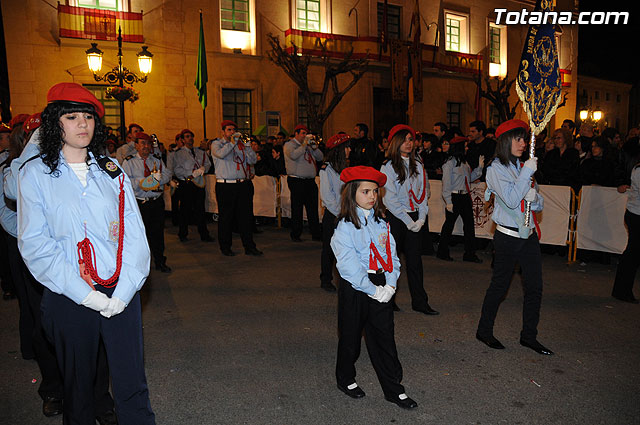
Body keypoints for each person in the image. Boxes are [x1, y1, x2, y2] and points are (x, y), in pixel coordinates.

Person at [17, 82, 155, 423]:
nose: (82, 124)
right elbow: (36, 245)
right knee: (78, 387)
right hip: (69, 293)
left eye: (88, 117)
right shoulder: (35, 174)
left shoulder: (112, 171)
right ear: (55, 123)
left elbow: (135, 234)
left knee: (131, 380)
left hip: (120, 287)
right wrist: (87, 297)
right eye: (72, 116)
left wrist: (123, 293)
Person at [331, 165, 418, 410]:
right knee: (350, 337)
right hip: (356, 287)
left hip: (380, 283)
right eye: (366, 191)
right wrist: (373, 291)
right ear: (352, 194)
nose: (372, 196)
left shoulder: (381, 221)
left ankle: (394, 389)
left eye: (375, 191)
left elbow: (391, 254)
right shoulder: (344, 226)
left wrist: (390, 284)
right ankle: (345, 379)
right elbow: (348, 267)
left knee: (384, 337)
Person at [476, 119, 553, 356]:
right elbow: (510, 199)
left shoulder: (522, 166)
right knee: (499, 287)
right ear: (506, 141)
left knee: (535, 288)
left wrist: (533, 196)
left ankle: (529, 336)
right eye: (518, 139)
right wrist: (528, 173)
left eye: (525, 139)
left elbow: (537, 202)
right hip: (507, 236)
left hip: (528, 236)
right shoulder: (495, 169)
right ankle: (484, 331)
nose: (523, 144)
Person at [381, 124, 438, 315]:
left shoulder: (418, 165)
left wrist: (421, 218)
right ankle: (388, 300)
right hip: (397, 217)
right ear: (395, 142)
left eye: (411, 139)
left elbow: (423, 193)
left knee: (415, 262)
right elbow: (390, 198)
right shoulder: (388, 166)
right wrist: (408, 221)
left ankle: (420, 302)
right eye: (404, 139)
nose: (408, 143)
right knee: (392, 262)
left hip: (414, 217)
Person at [122, 132, 173, 272]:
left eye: (148, 143)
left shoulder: (156, 159)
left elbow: (167, 174)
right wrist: (142, 182)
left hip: (156, 201)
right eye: (142, 143)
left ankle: (160, 261)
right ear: (136, 145)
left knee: (157, 234)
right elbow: (124, 181)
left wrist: (157, 180)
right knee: (138, 236)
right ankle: (138, 265)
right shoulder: (129, 161)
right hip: (139, 203)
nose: (146, 146)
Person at [211, 120, 263, 256]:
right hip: (225, 185)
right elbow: (221, 154)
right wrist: (233, 143)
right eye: (229, 130)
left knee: (245, 217)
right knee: (226, 217)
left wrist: (246, 146)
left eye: (234, 130)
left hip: (242, 184)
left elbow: (252, 160)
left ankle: (249, 246)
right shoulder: (217, 144)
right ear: (223, 132)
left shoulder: (241, 146)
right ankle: (225, 247)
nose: (232, 132)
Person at [436, 136, 483, 263]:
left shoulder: (464, 162)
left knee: (469, 226)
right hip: (454, 196)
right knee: (449, 225)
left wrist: (479, 169)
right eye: (465, 146)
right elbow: (446, 183)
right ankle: (442, 251)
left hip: (464, 196)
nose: (467, 148)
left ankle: (470, 253)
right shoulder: (449, 163)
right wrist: (448, 201)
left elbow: (469, 179)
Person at [319, 133, 351, 292]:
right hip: (334, 215)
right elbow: (327, 197)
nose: (349, 150)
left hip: (346, 213)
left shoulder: (346, 167)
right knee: (329, 249)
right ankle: (326, 279)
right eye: (347, 147)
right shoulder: (327, 169)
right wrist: (340, 213)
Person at [172, 128, 214, 242]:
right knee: (185, 209)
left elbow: (208, 163)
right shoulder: (178, 154)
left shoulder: (200, 152)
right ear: (182, 140)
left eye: (191, 136)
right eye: (187, 137)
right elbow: (177, 170)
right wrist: (190, 174)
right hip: (187, 183)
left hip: (199, 183)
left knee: (200, 209)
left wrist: (204, 169)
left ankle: (204, 234)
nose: (190, 139)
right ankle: (183, 234)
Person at [284, 124, 323, 242]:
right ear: (296, 134)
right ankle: (296, 234)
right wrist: (304, 145)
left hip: (310, 181)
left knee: (312, 208)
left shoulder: (308, 146)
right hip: (296, 180)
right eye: (303, 133)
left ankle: (316, 233)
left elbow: (320, 157)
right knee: (297, 208)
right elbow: (293, 156)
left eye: (306, 134)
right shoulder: (289, 145)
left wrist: (314, 147)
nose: (305, 136)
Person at [611, 160, 640, 303]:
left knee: (631, 253)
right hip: (636, 215)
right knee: (632, 254)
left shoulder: (636, 168)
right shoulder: (638, 169)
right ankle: (622, 290)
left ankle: (622, 290)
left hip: (634, 213)